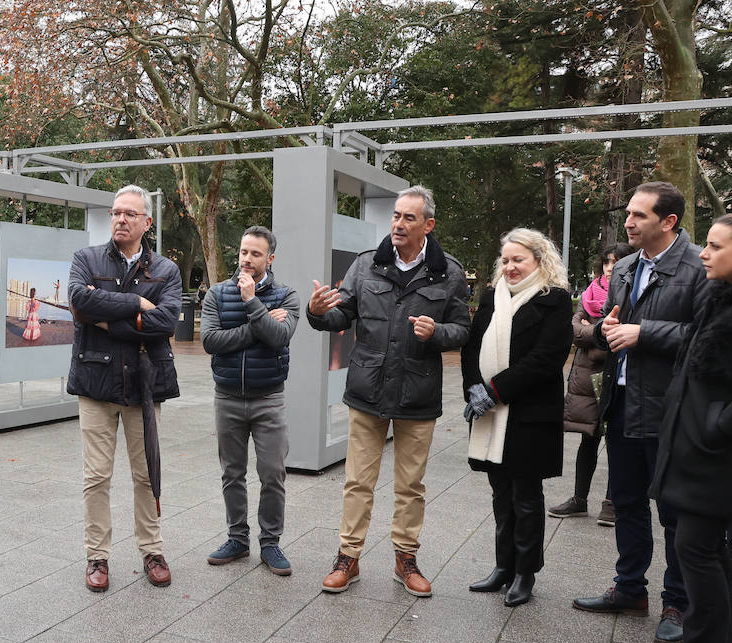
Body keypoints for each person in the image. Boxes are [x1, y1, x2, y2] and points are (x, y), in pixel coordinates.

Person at [307, 185, 471, 597]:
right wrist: (317, 312)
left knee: (410, 486)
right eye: (396, 216)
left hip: (417, 393)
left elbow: (463, 330)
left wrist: (437, 333)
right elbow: (342, 313)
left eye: (408, 218)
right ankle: (348, 558)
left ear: (428, 225)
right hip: (368, 389)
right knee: (358, 481)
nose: (398, 224)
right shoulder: (366, 265)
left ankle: (406, 559)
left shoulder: (449, 272)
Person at [573, 182, 709, 643]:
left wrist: (642, 332)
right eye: (628, 214)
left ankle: (677, 603)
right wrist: (604, 327)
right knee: (626, 501)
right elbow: (612, 323)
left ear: (668, 221)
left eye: (639, 215)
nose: (628, 223)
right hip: (623, 400)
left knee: (672, 510)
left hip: (672, 408)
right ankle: (630, 588)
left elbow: (705, 337)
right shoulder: (626, 267)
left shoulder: (698, 267)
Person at [651, 212, 732, 643]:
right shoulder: (725, 296)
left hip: (716, 457)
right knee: (705, 553)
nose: (704, 252)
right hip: (698, 450)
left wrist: (716, 429)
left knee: (697, 551)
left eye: (716, 246)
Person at [68, 184, 182, 592]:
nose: (120, 219)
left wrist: (106, 315)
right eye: (116, 212)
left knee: (146, 474)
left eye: (129, 214)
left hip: (144, 384)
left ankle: (152, 550)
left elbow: (167, 323)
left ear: (146, 222)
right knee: (96, 477)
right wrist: (136, 305)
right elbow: (79, 302)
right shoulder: (87, 258)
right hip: (95, 383)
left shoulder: (166, 269)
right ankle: (96, 557)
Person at [461, 229, 573, 606]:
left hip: (528, 413)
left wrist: (493, 391)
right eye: (505, 260)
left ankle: (525, 572)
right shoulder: (492, 296)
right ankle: (503, 566)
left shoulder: (554, 300)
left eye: (518, 260)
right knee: (500, 494)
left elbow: (546, 359)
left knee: (526, 496)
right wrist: (475, 390)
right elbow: (471, 348)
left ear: (539, 261)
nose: (509, 266)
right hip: (491, 414)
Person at [200, 226, 300, 575]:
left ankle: (270, 543)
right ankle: (237, 539)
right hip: (227, 397)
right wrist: (256, 326)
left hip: (268, 398)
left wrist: (251, 302)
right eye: (244, 251)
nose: (246, 259)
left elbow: (278, 337)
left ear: (270, 258)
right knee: (232, 472)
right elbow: (211, 341)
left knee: (272, 472)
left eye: (255, 254)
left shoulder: (287, 296)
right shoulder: (215, 294)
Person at [550, 243, 633, 525]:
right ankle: (579, 499)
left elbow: (613, 337)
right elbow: (574, 331)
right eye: (607, 261)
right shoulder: (589, 294)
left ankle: (611, 503)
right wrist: (599, 334)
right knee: (588, 437)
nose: (611, 267)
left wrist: (594, 335)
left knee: (615, 441)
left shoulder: (630, 294)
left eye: (617, 261)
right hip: (588, 379)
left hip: (617, 376)